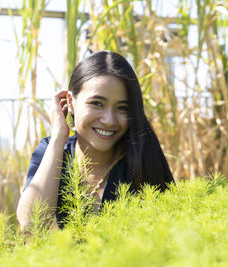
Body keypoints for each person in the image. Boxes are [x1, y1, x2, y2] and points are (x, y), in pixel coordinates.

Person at [16, 51, 174, 230]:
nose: (109, 120)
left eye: (122, 108)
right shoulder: (51, 152)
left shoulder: (142, 159)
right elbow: (31, 225)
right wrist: (59, 136)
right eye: (97, 103)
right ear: (71, 102)